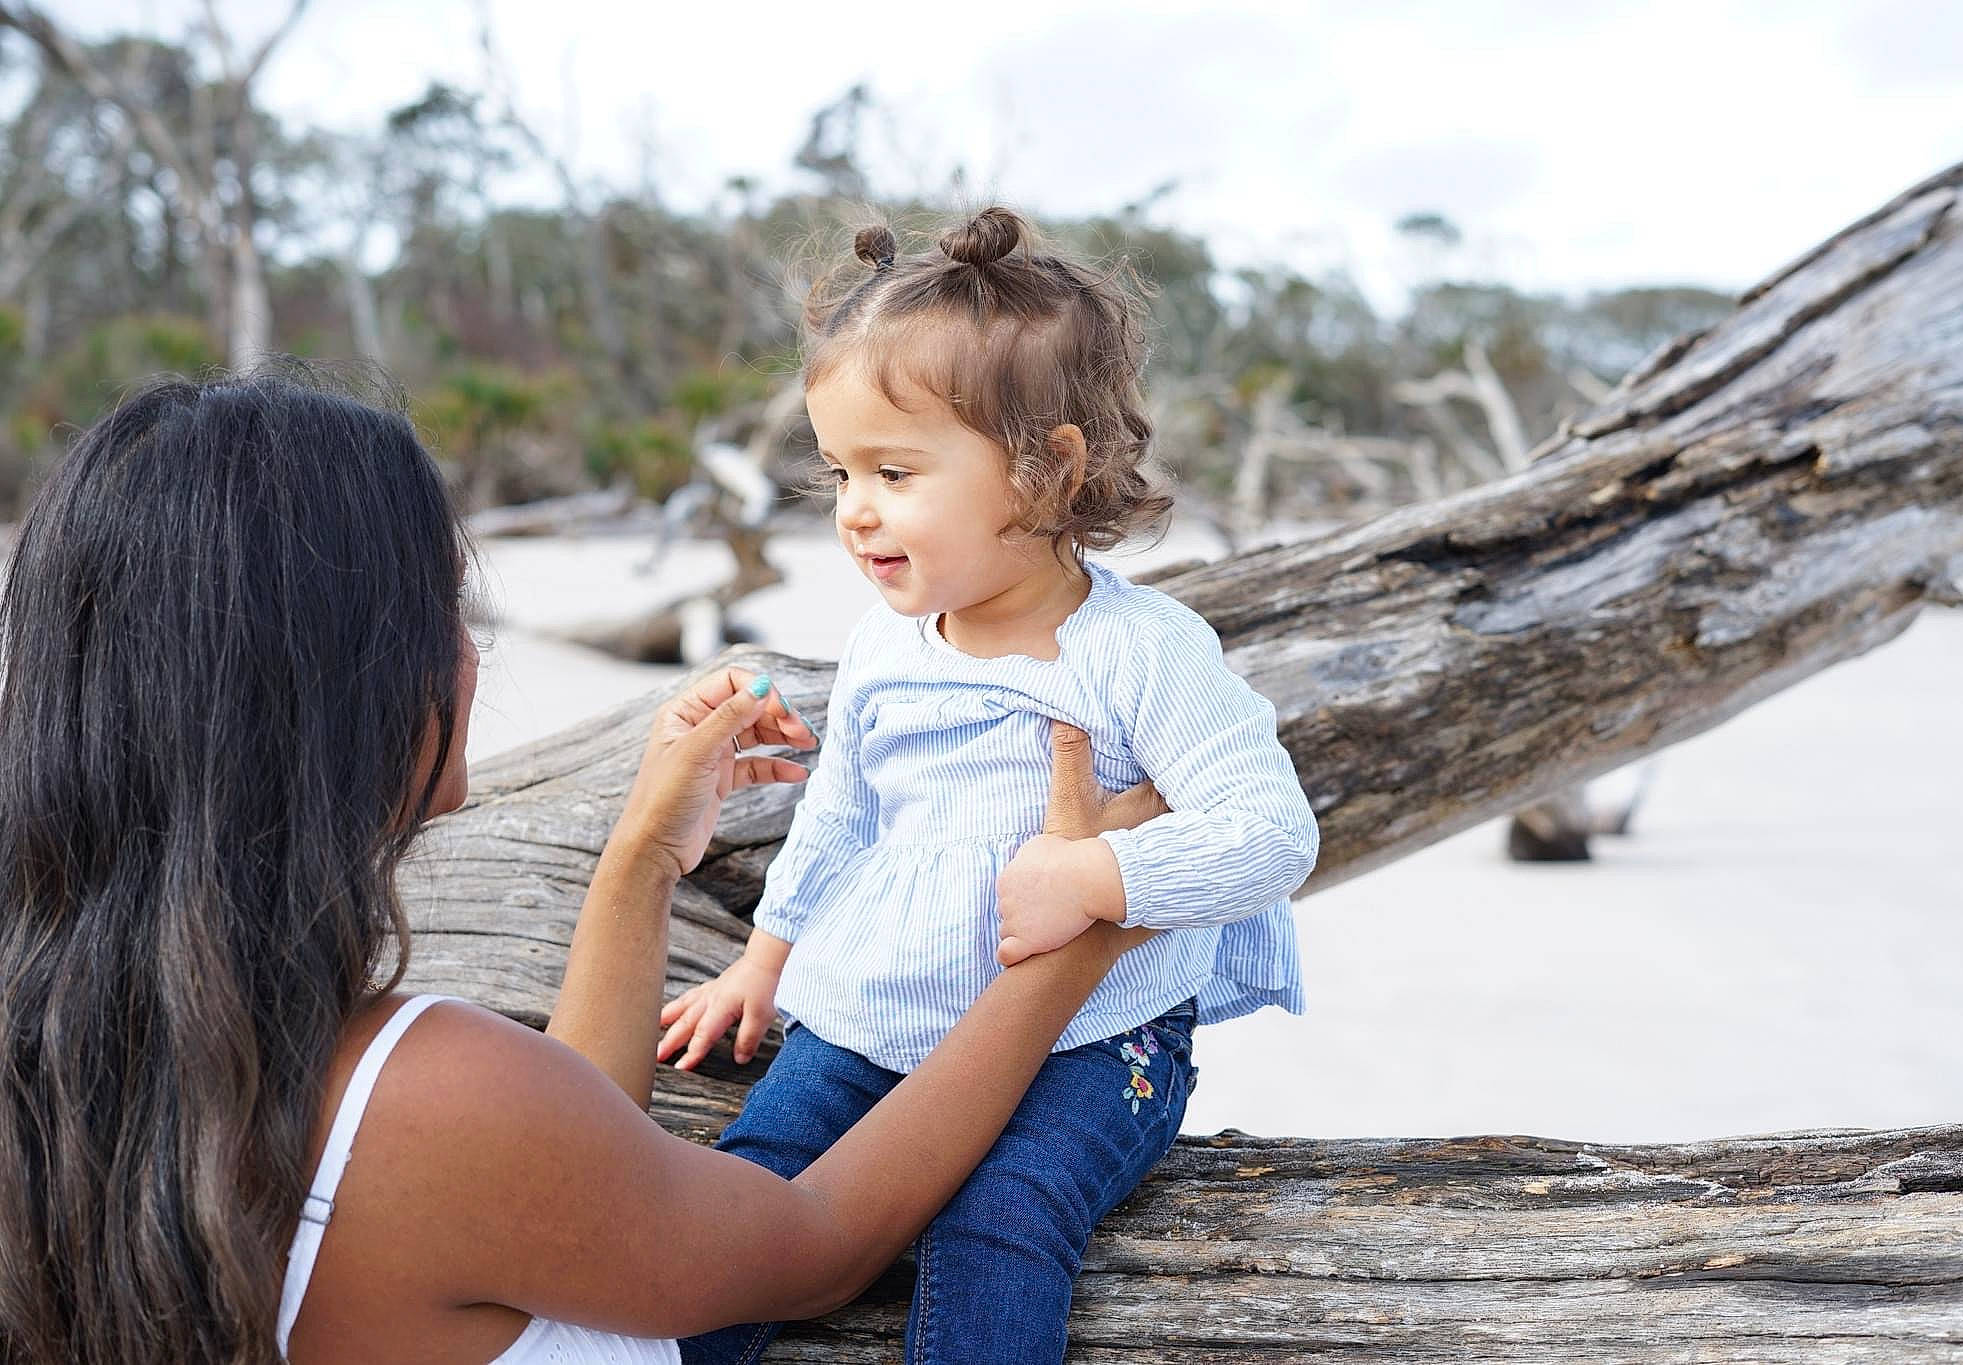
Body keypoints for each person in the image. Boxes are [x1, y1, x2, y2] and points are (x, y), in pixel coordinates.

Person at [0, 370, 1167, 1365]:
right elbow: (813, 1246)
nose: (468, 651)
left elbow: (564, 1166)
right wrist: (1080, 935)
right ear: (353, 684)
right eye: (446, 607)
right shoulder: (422, 1100)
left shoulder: (74, 1063)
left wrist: (643, 857)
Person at [657, 207, 1320, 1364]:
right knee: (751, 1193)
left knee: (998, 1221)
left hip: (1095, 1041)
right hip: (879, 1007)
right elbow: (840, 815)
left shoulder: (1140, 651)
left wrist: (1096, 877)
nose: (854, 509)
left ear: (1047, 469)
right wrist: (765, 961)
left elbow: (1272, 834)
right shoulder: (883, 644)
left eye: (894, 472)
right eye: (839, 471)